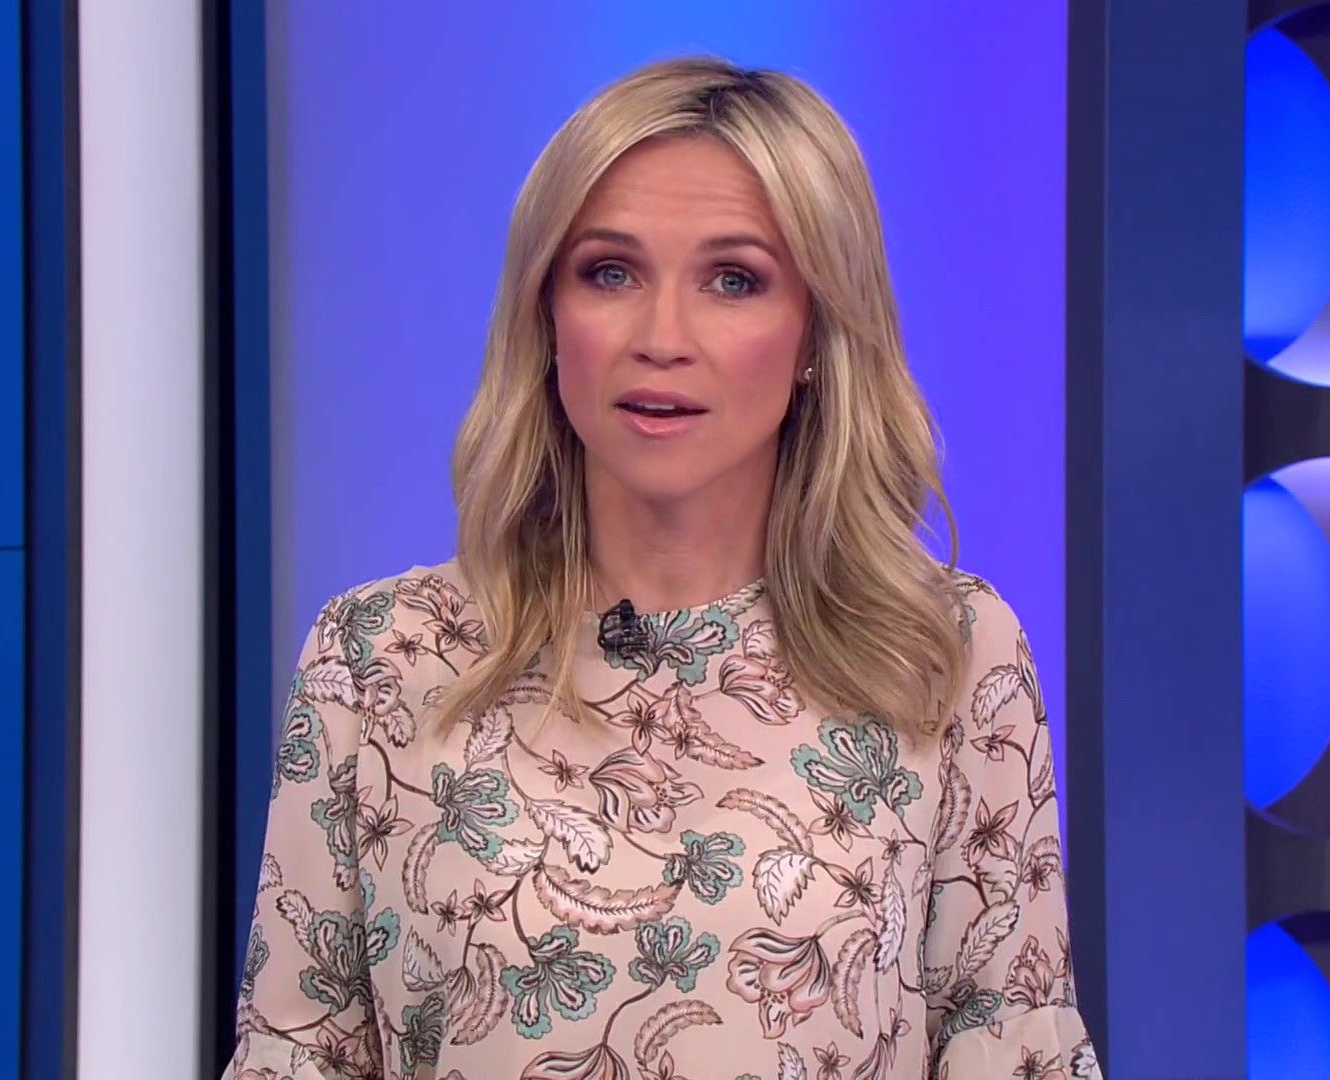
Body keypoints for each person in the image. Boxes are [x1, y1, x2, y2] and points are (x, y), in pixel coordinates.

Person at [225, 55, 1102, 1080]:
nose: (661, 338)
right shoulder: (381, 657)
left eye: (734, 280)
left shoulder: (945, 655)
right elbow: (300, 1053)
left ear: (816, 332)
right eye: (611, 273)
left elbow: (1015, 1044)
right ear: (545, 314)